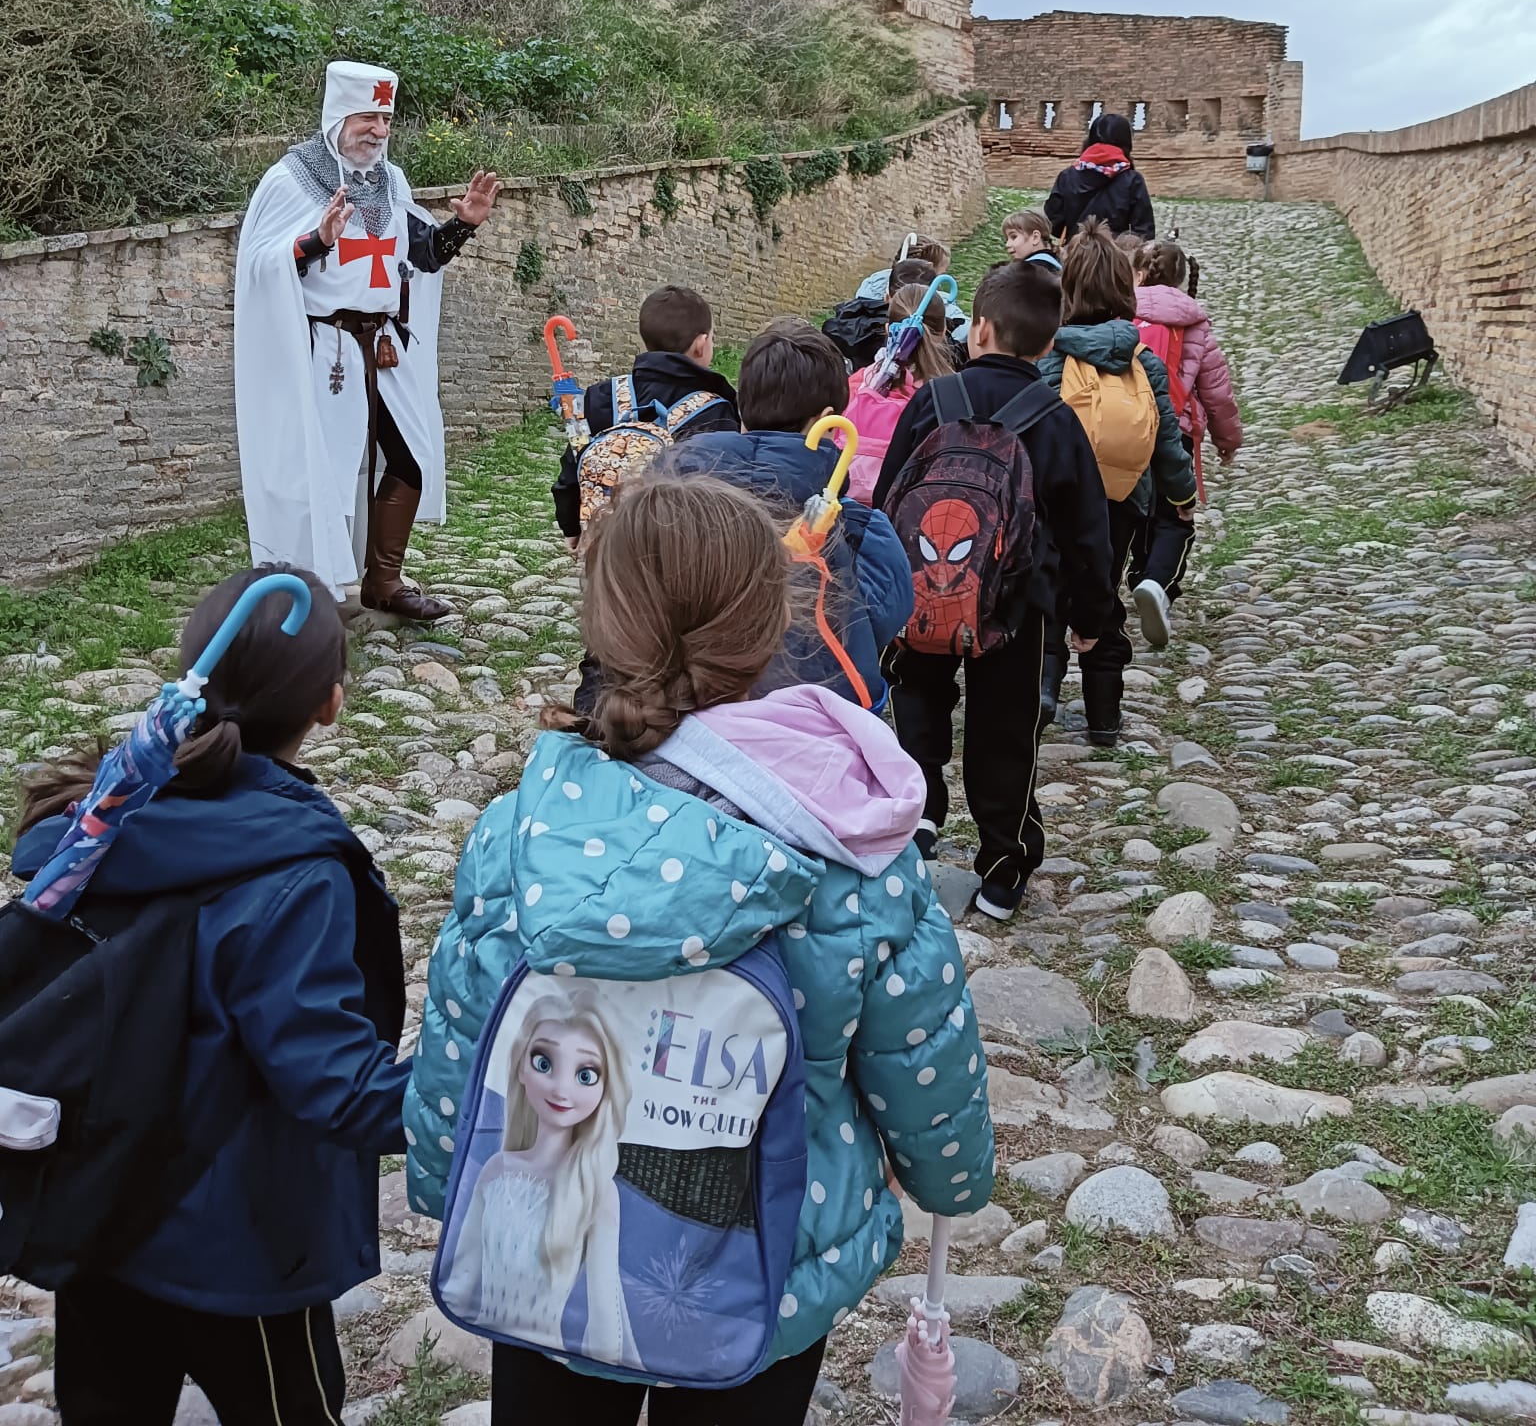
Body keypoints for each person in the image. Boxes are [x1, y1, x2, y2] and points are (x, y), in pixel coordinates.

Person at [406, 473, 994, 1425]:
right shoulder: (848, 843)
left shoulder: (524, 833)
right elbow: (921, 1050)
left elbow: (465, 1035)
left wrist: (448, 1185)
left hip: (549, 1253)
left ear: (602, 622)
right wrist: (950, 1178)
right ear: (773, 624)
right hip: (765, 1259)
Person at [14, 567, 410, 1426]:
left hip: (98, 1206)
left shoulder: (104, 814)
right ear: (330, 703)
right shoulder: (295, 873)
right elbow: (335, 1085)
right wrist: (466, 1092)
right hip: (240, 1242)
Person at [872, 261, 1115, 920]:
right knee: (1005, 732)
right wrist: (1091, 616)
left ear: (977, 329)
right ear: (1048, 343)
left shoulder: (931, 401)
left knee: (917, 701)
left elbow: (889, 501)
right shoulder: (1056, 420)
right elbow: (1088, 534)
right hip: (1018, 607)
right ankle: (1005, 866)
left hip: (922, 597)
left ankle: (921, 814)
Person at [235, 61, 501, 619]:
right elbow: (260, 267)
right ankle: (309, 590)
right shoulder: (290, 179)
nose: (379, 132)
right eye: (368, 119)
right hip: (323, 349)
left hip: (382, 347)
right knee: (321, 472)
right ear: (338, 117)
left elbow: (421, 256)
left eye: (386, 120)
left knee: (410, 459)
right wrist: (316, 240)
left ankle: (384, 582)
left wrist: (463, 226)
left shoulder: (391, 181)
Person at [671, 318, 912, 706]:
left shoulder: (674, 501)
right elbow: (882, 620)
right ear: (828, 419)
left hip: (692, 709)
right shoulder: (863, 530)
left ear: (742, 409)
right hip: (818, 719)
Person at [1035, 226, 1196, 742]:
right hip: (1123, 497)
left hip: (1055, 500)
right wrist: (1183, 497)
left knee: (1050, 594)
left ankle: (1043, 689)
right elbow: (1167, 440)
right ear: (1125, 292)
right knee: (1102, 594)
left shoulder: (1049, 356)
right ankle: (1104, 715)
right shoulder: (1142, 359)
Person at [439, 990, 636, 1366]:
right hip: (504, 1345)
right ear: (520, 1067)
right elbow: (462, 1278)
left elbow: (605, 1318)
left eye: (585, 1075)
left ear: (606, 1088)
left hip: (558, 1358)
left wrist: (605, 1367)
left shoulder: (594, 1191)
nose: (561, 1089)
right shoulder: (496, 1170)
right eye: (543, 1062)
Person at [550, 284, 738, 550]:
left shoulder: (600, 396)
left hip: (609, 549)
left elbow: (574, 461)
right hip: (681, 551)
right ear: (701, 344)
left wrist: (570, 526)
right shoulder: (715, 410)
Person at [1129, 238, 1243, 645]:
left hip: (1126, 427)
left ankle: (1139, 575)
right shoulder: (1195, 323)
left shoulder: (1119, 313)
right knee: (1175, 513)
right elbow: (1216, 390)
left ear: (1137, 274)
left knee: (1136, 511)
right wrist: (1228, 439)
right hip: (1175, 431)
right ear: (1181, 278)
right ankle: (1158, 583)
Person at [843, 279, 955, 501]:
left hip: (846, 509)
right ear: (943, 331)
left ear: (888, 329)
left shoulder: (858, 384)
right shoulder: (952, 397)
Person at [1044, 112, 1155, 243]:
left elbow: (1054, 221)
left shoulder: (1067, 176)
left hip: (1075, 251)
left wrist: (1077, 233)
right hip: (1115, 253)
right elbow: (1144, 231)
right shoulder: (1132, 180)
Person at [853, 233, 969, 344]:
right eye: (940, 275)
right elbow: (964, 332)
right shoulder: (939, 303)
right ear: (925, 271)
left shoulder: (871, 286)